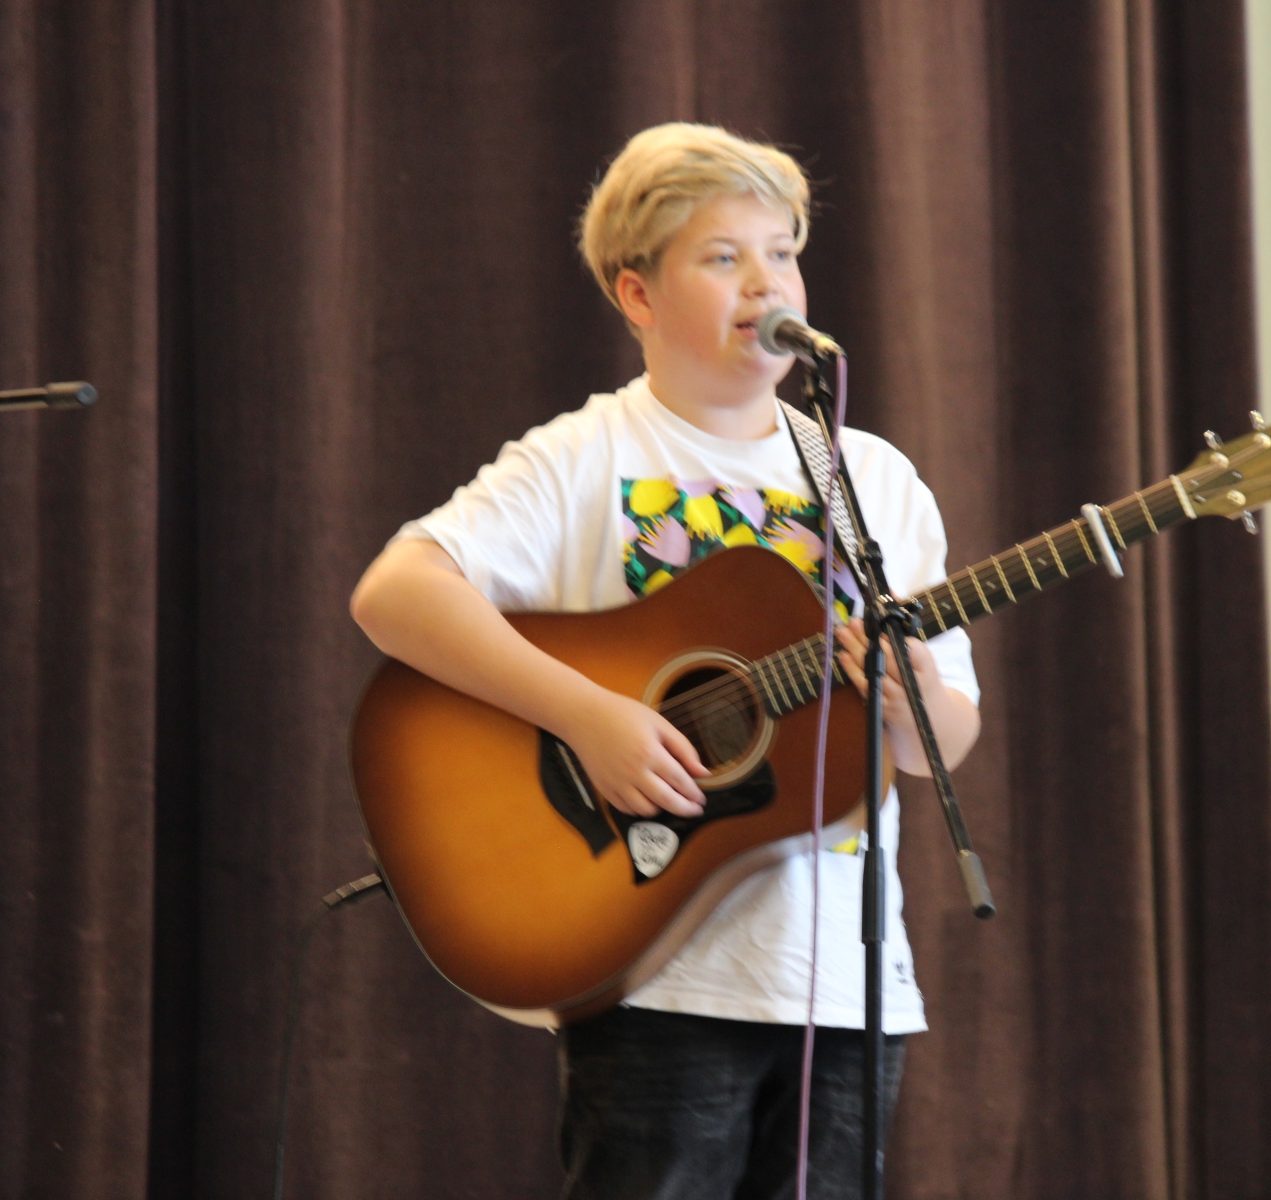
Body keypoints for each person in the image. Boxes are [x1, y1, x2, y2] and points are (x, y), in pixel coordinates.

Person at [350, 122, 981, 1199]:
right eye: (724, 256)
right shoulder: (587, 455)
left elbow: (941, 747)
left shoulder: (871, 479)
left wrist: (914, 692)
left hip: (846, 981)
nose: (766, 282)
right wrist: (591, 717)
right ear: (637, 294)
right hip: (659, 974)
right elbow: (396, 593)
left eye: (782, 252)